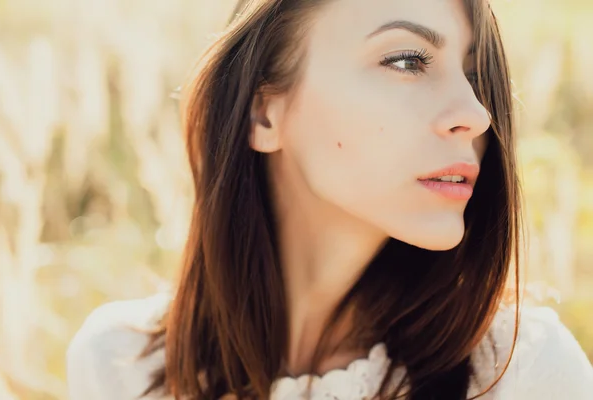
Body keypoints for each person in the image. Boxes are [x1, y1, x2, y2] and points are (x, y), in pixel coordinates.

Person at [65, 0, 593, 399]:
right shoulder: (118, 365)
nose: (476, 113)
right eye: (408, 61)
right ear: (264, 114)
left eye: (475, 76)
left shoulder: (521, 373)